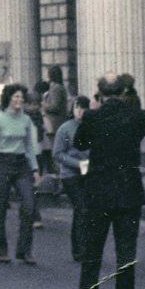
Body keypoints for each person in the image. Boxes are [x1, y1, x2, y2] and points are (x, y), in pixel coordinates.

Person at [74, 75, 145, 289]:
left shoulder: (92, 117)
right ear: (123, 91)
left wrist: (92, 113)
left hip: (97, 194)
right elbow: (136, 138)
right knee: (125, 256)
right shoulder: (138, 116)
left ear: (99, 93)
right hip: (128, 193)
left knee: (92, 254)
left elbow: (80, 143)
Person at [0, 83, 40, 265]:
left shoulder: (26, 120)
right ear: (8, 99)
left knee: (28, 205)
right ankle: (1, 251)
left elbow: (29, 146)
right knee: (0, 206)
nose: (19, 100)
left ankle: (24, 251)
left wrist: (35, 169)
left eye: (21, 97)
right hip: (2, 163)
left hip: (21, 164)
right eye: (16, 96)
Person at [52, 96, 91, 262]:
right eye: (77, 108)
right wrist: (78, 164)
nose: (80, 111)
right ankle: (79, 249)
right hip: (70, 175)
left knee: (86, 210)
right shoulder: (65, 129)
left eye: (83, 108)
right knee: (81, 207)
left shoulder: (92, 127)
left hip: (89, 173)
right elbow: (57, 153)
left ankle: (85, 246)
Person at [40, 67, 70, 172]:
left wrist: (44, 106)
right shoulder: (56, 87)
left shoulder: (56, 88)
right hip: (54, 123)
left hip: (55, 124)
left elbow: (55, 106)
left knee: (55, 150)